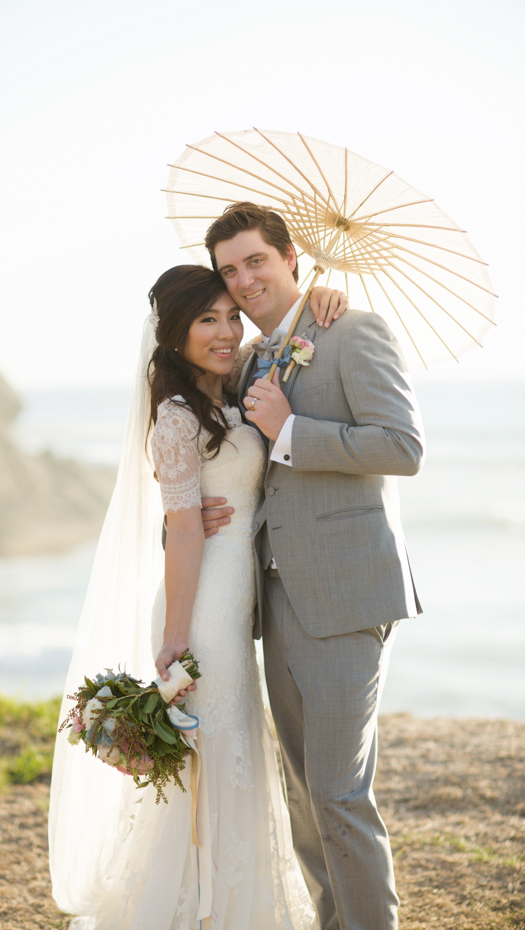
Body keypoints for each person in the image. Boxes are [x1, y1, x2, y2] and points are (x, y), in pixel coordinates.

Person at [48, 262, 348, 929]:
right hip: (203, 607)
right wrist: (175, 638)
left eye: (229, 315)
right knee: (209, 753)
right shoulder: (178, 416)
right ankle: (199, 908)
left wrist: (324, 293)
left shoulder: (227, 384)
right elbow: (183, 531)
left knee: (228, 746)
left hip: (235, 599)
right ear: (173, 335)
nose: (225, 330)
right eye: (205, 320)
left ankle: (222, 900)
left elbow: (283, 329)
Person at [198, 202, 425, 930]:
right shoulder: (254, 359)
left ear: (290, 256)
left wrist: (291, 430)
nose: (243, 280)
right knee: (303, 794)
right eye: (229, 271)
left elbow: (401, 447)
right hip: (274, 596)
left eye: (255, 261)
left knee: (336, 794)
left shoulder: (353, 329)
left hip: (346, 590)